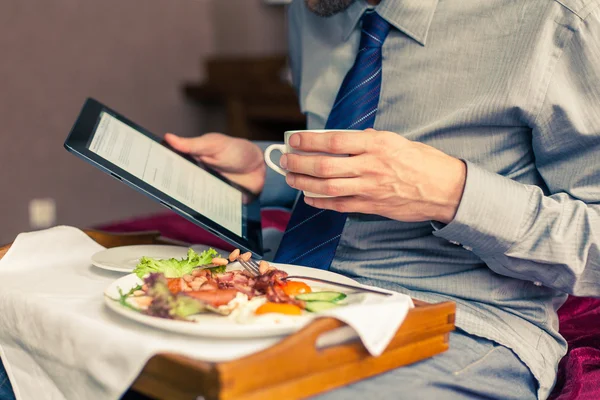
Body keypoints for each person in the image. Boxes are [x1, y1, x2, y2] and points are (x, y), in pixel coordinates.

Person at [163, 0, 600, 399]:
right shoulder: (315, 9)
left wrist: (452, 194)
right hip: (286, 290)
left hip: (458, 322)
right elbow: (360, 148)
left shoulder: (561, 19)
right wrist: (268, 169)